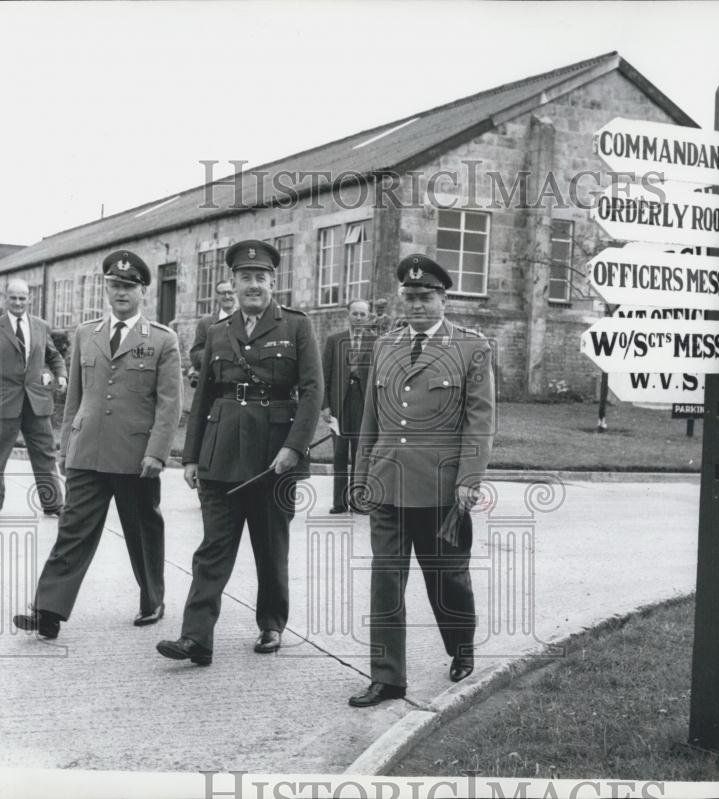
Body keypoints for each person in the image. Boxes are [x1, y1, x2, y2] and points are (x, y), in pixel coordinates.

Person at [157, 239, 323, 666]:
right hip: (222, 453)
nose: (253, 285)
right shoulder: (217, 332)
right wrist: (191, 456)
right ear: (232, 283)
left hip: (273, 458)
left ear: (273, 282)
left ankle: (271, 625)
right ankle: (196, 638)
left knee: (271, 549)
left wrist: (294, 447)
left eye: (260, 277)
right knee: (212, 549)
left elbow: (312, 391)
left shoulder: (297, 327)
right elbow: (205, 398)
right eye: (245, 277)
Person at [348, 254, 495, 707]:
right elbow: (371, 419)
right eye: (409, 297)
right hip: (388, 482)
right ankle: (388, 677)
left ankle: (461, 646)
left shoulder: (470, 347)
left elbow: (480, 422)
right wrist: (360, 476)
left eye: (425, 297)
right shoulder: (386, 346)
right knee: (386, 583)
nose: (416, 305)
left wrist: (469, 480)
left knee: (448, 578)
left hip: (441, 488)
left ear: (443, 299)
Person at [12, 251, 182, 639]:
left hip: (135, 455)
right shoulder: (86, 334)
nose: (121, 292)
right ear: (107, 289)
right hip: (87, 450)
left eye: (129, 286)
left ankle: (152, 600)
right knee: (72, 531)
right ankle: (48, 610)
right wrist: (66, 446)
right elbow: (76, 396)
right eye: (115, 285)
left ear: (143, 292)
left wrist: (157, 452)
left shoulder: (161, 339)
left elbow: (169, 403)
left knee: (142, 531)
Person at [0, 279, 67, 519]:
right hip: (2, 403)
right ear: (6, 299)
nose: (18, 302)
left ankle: (53, 504)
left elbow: (54, 356)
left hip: (37, 402)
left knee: (45, 454)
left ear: (29, 299)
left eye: (22, 298)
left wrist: (61, 376)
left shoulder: (41, 326)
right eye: (13, 298)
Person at [321, 299, 376, 513]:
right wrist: (325, 406)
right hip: (340, 404)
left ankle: (359, 501)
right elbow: (324, 375)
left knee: (362, 454)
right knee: (340, 454)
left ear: (368, 317)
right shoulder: (334, 340)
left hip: (364, 404)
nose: (359, 318)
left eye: (363, 314)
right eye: (355, 313)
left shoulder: (376, 342)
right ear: (348, 314)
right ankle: (339, 502)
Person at [187, 280, 236, 385]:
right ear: (217, 297)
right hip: (214, 381)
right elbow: (194, 354)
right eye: (223, 293)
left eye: (230, 292)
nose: (227, 296)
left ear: (235, 294)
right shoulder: (206, 323)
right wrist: (216, 353)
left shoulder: (246, 320)